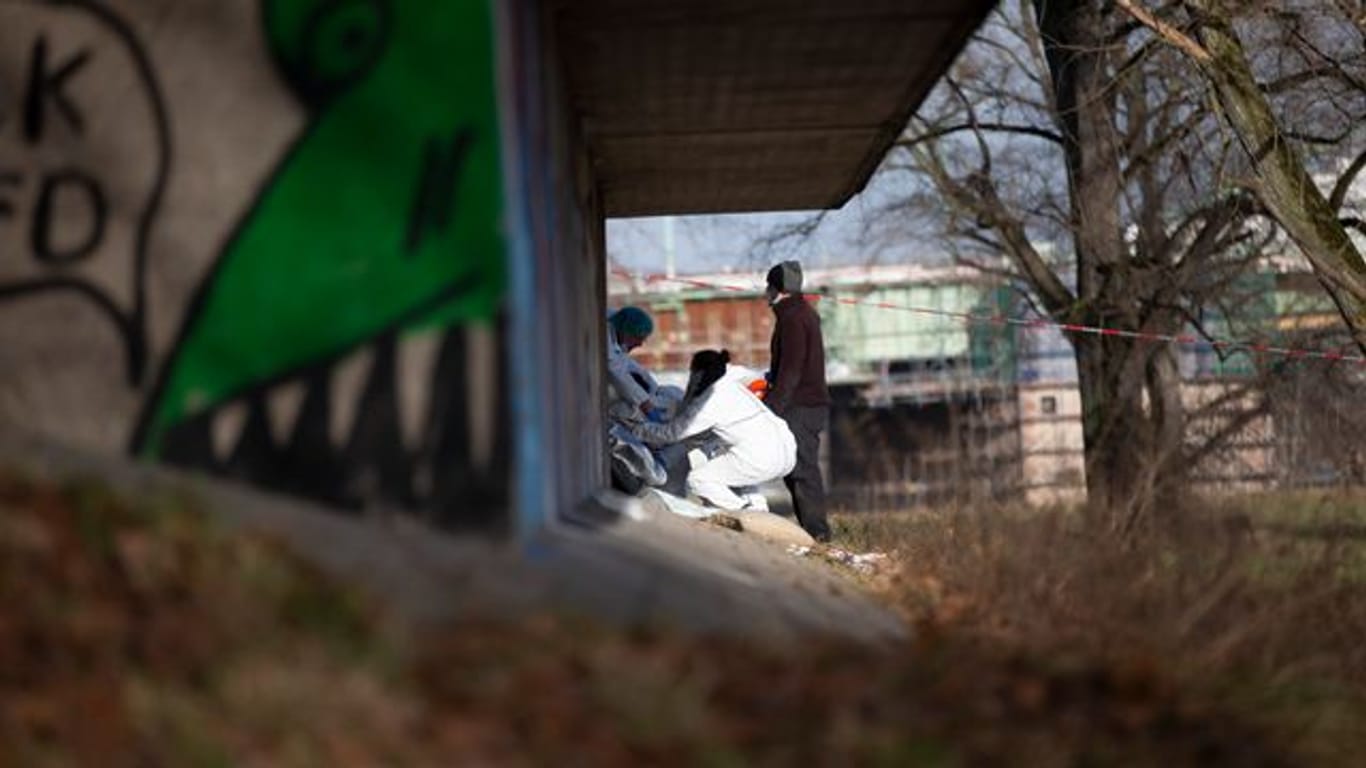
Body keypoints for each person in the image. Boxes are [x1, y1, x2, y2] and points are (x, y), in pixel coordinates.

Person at [630, 349, 796, 511]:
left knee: (699, 479)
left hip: (762, 457)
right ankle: (759, 511)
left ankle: (742, 511)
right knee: (735, 475)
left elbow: (673, 433)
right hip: (785, 450)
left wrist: (638, 430)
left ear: (698, 373)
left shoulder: (709, 400)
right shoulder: (731, 386)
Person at [764, 260, 832, 542]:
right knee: (797, 469)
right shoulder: (803, 313)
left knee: (803, 470)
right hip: (808, 403)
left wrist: (771, 409)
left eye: (768, 286)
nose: (765, 293)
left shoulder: (792, 318)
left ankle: (819, 535)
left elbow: (792, 368)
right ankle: (813, 531)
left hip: (800, 406)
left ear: (777, 288)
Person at [606, 306, 661, 417]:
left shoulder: (620, 323)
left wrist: (654, 387)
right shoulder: (605, 341)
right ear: (627, 333)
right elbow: (618, 373)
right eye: (638, 338)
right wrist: (644, 402)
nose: (640, 344)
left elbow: (627, 363)